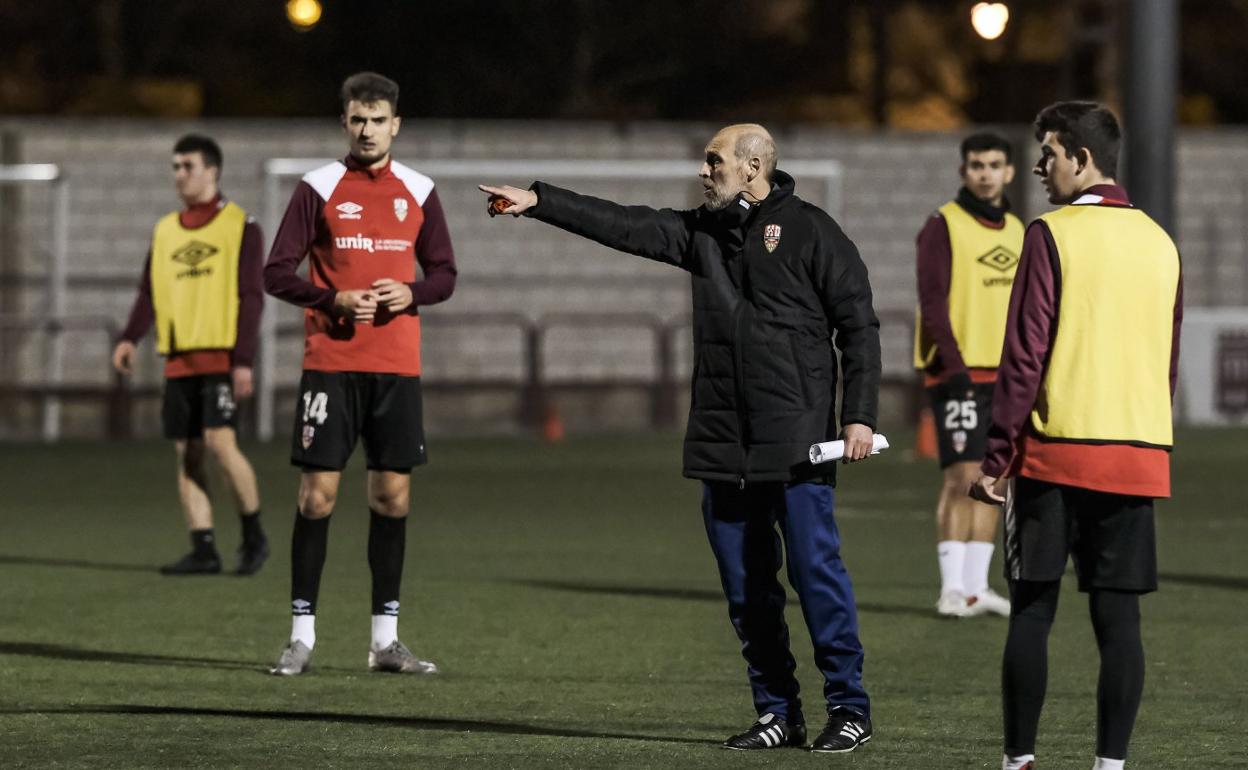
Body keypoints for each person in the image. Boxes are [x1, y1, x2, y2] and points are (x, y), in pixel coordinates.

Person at [480, 123, 881, 754]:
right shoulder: (702, 234)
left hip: (797, 440)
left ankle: (849, 708)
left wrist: (857, 416)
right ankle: (779, 713)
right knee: (747, 593)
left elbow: (858, 323)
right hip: (722, 442)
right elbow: (626, 225)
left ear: (752, 167)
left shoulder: (812, 230)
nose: (704, 170)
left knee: (815, 575)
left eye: (713, 161)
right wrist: (542, 202)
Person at [970, 102, 1182, 770]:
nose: (1040, 166)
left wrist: (998, 455)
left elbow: (1024, 355)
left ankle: (1020, 761)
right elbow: (1165, 362)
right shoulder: (1160, 241)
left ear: (1081, 159)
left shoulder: (1050, 233)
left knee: (1032, 612)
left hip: (1055, 453)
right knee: (1120, 624)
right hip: (1135, 456)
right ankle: (1110, 765)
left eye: (1050, 153)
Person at [263, 72, 457, 676]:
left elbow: (445, 274)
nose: (368, 129)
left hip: (397, 367)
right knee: (317, 498)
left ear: (395, 124)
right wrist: (333, 300)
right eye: (357, 120)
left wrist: (410, 292)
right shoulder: (317, 187)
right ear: (345, 123)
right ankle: (301, 637)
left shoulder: (420, 191)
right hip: (331, 367)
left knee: (392, 498)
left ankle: (384, 642)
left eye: (378, 120)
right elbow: (276, 272)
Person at [112, 134, 268, 576]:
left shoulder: (241, 225)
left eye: (188, 166)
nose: (179, 174)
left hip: (220, 358)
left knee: (221, 444)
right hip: (179, 360)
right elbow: (149, 291)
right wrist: (129, 337)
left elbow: (251, 296)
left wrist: (243, 359)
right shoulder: (165, 230)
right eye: (175, 167)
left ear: (212, 171)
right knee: (188, 453)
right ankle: (203, 549)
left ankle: (253, 535)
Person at [914, 132, 1021, 618]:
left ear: (1009, 172)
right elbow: (933, 303)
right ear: (964, 171)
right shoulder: (943, 225)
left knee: (994, 477)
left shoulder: (1019, 230)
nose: (985, 172)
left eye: (994, 164)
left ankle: (977, 588)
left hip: (1007, 374)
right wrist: (953, 368)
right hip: (958, 372)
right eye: (976, 164)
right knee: (961, 476)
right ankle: (951, 589)